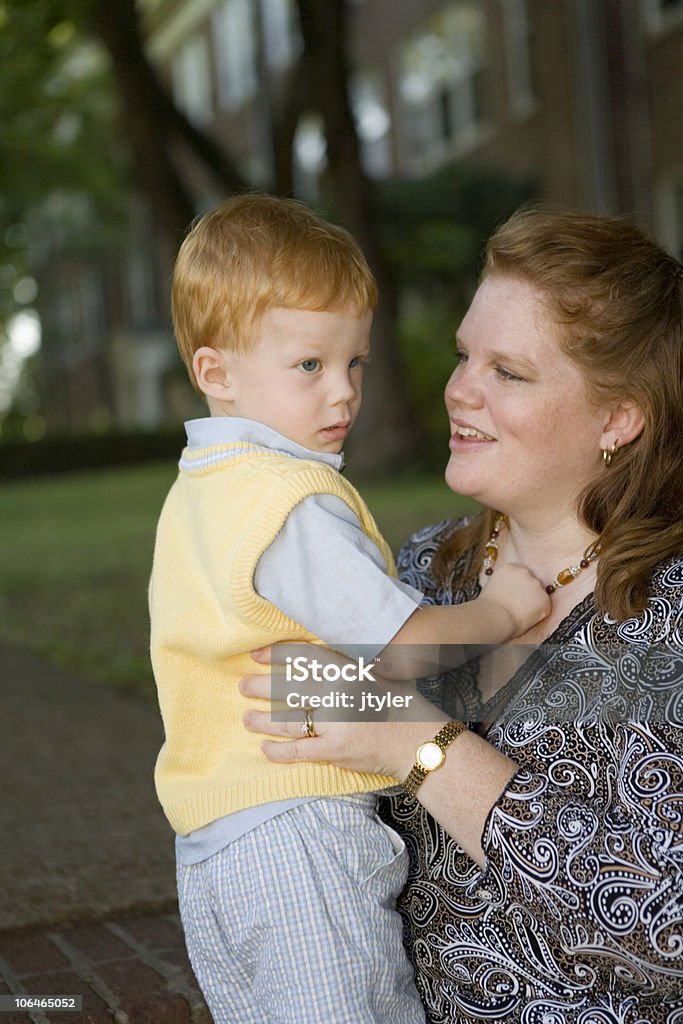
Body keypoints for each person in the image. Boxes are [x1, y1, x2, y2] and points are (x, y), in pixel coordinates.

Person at [241, 206, 683, 1023]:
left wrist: (416, 743)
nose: (457, 389)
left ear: (618, 418)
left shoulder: (667, 615)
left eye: (506, 372)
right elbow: (283, 725)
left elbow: (666, 930)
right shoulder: (416, 572)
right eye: (461, 355)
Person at [148, 194, 550, 1024]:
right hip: (300, 832)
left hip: (217, 845)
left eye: (354, 362)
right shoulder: (287, 499)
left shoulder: (203, 491)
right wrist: (503, 607)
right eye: (308, 366)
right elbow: (400, 648)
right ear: (215, 372)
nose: (342, 393)